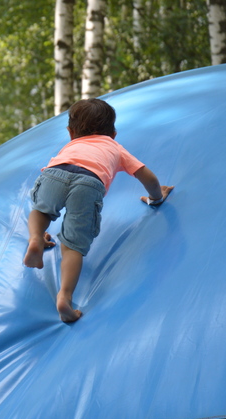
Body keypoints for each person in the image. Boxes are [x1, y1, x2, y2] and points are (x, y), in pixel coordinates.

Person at [23, 98, 174, 323]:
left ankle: (35, 238)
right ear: (113, 134)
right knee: (73, 245)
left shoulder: (71, 145)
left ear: (70, 132)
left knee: (41, 211)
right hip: (88, 183)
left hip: (54, 173)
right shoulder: (114, 147)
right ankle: (64, 297)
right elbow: (148, 177)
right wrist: (156, 197)